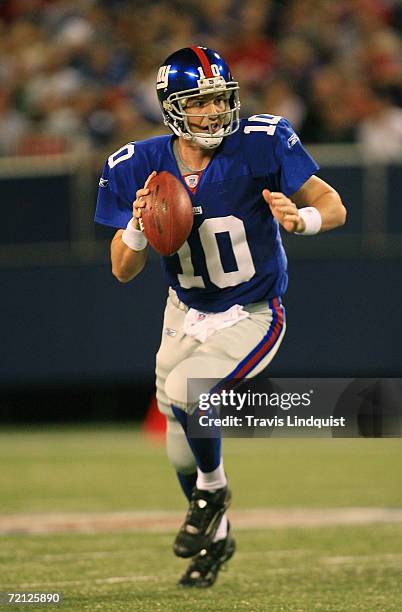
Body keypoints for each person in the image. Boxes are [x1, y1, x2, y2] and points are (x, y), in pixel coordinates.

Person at [94, 45, 346, 588]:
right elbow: (121, 269)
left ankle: (213, 492)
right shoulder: (136, 163)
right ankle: (220, 533)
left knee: (193, 390)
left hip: (252, 310)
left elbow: (333, 203)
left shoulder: (260, 141)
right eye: (198, 102)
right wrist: (138, 225)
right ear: (170, 107)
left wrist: (301, 220)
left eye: (218, 100)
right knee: (177, 443)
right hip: (184, 310)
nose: (211, 113)